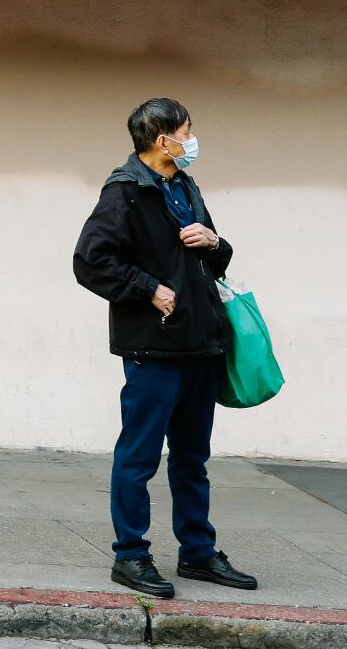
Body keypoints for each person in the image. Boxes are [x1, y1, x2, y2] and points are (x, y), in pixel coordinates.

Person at [72, 99, 258, 599]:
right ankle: (130, 556)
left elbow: (215, 261)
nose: (193, 139)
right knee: (139, 456)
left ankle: (197, 553)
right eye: (188, 130)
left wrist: (214, 242)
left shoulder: (184, 185)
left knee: (192, 458)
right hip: (153, 349)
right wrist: (147, 288)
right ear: (164, 139)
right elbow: (90, 261)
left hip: (200, 344)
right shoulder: (125, 194)